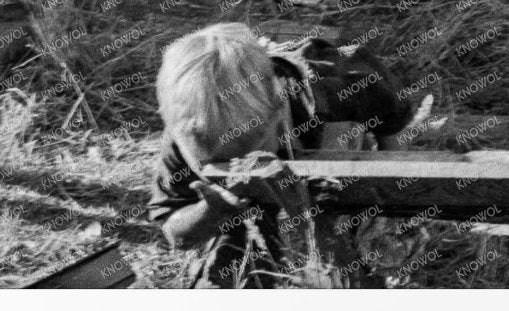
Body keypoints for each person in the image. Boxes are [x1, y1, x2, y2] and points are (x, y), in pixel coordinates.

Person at [146, 23, 416, 287]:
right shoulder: (187, 130)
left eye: (249, 158)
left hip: (330, 163)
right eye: (217, 166)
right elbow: (175, 233)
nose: (240, 170)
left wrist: (387, 205)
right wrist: (211, 210)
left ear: (277, 111)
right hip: (246, 208)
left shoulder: (341, 89)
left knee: (345, 269)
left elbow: (395, 123)